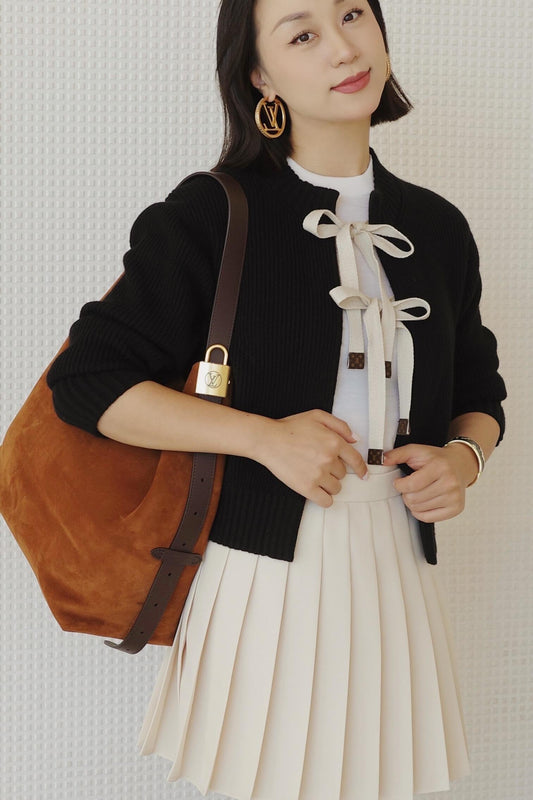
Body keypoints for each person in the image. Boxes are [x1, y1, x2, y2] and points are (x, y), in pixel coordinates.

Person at [46, 0, 507, 798]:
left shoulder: (437, 227)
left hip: (397, 562)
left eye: (352, 14)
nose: (343, 47)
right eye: (303, 34)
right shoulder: (211, 212)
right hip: (266, 569)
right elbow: (88, 382)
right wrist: (263, 438)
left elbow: (479, 391)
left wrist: (462, 459)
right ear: (259, 75)